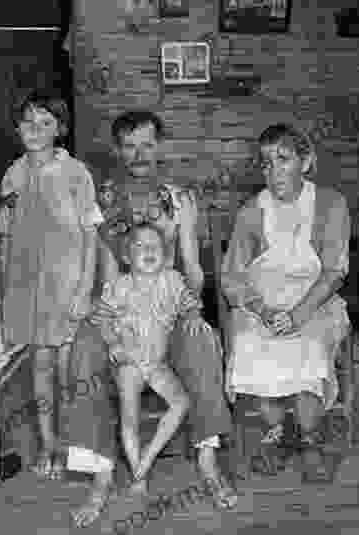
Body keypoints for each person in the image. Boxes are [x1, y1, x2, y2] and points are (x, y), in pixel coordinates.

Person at [61, 110, 238, 528]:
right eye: (129, 146)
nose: (139, 153)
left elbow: (192, 268)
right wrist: (108, 321)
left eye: (147, 144)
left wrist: (193, 307)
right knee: (85, 349)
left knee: (199, 340)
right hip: (122, 305)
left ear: (160, 147)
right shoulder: (105, 199)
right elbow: (107, 273)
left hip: (170, 303)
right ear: (118, 151)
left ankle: (209, 461)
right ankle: (102, 474)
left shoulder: (179, 199)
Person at [221, 123, 351, 483]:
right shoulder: (251, 211)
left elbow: (335, 271)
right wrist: (263, 311)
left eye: (283, 159)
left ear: (306, 162)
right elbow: (232, 277)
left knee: (307, 345)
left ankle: (309, 440)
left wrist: (297, 315)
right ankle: (276, 433)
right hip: (263, 303)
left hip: (316, 300)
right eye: (265, 163)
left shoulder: (331, 204)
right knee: (251, 341)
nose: (273, 171)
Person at [0, 90, 102, 479]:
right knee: (38, 369)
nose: (35, 130)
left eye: (45, 122)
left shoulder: (77, 174)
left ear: (60, 129)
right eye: (28, 121)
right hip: (28, 287)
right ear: (17, 127)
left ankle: (75, 446)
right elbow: (5, 238)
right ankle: (48, 444)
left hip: (66, 285)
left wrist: (83, 291)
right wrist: (5, 289)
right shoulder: (13, 175)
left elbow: (91, 236)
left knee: (66, 371)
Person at [98, 223, 207, 496]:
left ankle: (145, 462)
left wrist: (193, 314)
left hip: (158, 364)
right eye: (140, 246)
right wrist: (113, 342)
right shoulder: (119, 286)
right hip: (129, 364)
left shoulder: (172, 280)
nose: (149, 251)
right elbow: (102, 319)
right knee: (130, 417)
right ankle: (138, 473)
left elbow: (190, 303)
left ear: (166, 254)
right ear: (126, 257)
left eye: (155, 247)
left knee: (181, 403)